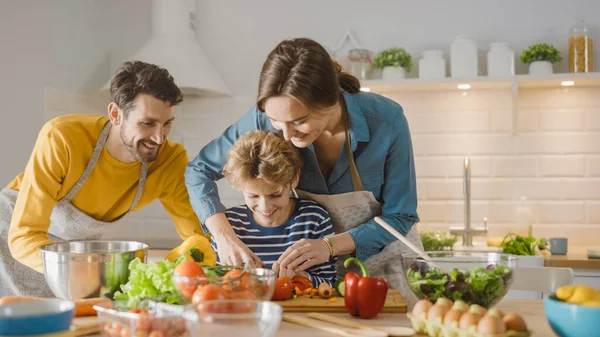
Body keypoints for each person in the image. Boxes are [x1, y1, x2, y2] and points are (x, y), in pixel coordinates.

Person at [185, 37, 423, 295]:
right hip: (314, 283)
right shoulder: (263, 119)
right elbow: (198, 172)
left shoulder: (386, 120)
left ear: (331, 100)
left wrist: (328, 246)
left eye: (299, 121)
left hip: (381, 272)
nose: (286, 135)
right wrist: (224, 236)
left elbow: (400, 216)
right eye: (276, 121)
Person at [0, 60, 206, 297]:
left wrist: (173, 269)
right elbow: (23, 234)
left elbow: (196, 238)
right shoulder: (63, 138)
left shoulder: (170, 160)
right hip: (12, 239)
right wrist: (79, 268)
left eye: (167, 124)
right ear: (116, 114)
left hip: (75, 256)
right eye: (147, 123)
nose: (159, 138)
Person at [214, 130, 336, 286]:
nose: (265, 207)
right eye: (253, 196)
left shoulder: (314, 219)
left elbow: (330, 283)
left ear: (294, 179)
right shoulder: (230, 225)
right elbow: (217, 283)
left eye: (275, 195)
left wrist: (300, 277)